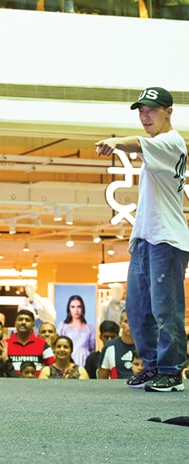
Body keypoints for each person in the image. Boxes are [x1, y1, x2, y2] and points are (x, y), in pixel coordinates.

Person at [95, 87, 189, 392]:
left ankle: (171, 370)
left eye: (151, 109)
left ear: (169, 111)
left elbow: (138, 143)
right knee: (136, 309)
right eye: (141, 110)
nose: (145, 116)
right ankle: (151, 366)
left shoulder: (171, 141)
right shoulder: (157, 146)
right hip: (147, 238)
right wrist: (136, 237)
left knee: (166, 309)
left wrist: (115, 141)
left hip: (167, 239)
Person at [4, 309, 54, 376]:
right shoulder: (5, 344)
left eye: (27, 320)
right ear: (15, 323)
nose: (23, 322)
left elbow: (52, 367)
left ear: (33, 325)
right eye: (20, 319)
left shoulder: (43, 344)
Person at [56, 295, 95, 367]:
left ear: (83, 308)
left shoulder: (90, 328)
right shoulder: (63, 326)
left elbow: (92, 349)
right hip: (67, 360)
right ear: (69, 309)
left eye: (79, 307)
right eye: (73, 307)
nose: (76, 310)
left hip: (85, 361)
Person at [98, 310, 136, 380]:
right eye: (126, 321)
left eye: (134, 321)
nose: (130, 325)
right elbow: (102, 379)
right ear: (120, 324)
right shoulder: (109, 347)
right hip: (116, 389)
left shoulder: (145, 346)